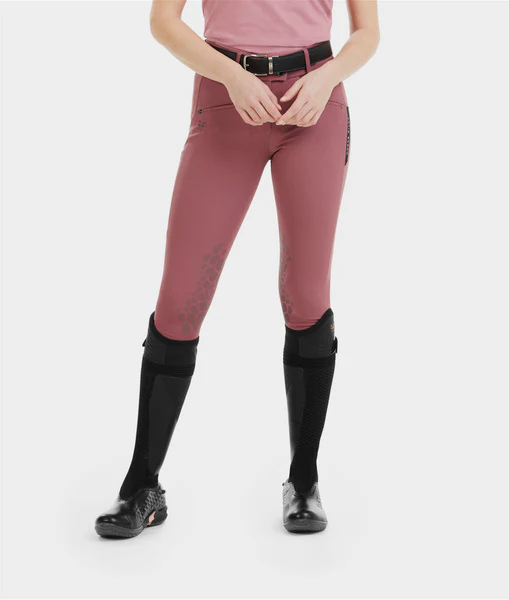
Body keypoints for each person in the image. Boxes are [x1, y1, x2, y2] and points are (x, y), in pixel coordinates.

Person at [95, 0, 379, 538]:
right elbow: (163, 20)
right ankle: (141, 486)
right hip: (226, 99)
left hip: (314, 107)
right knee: (180, 302)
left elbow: (367, 32)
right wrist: (231, 76)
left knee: (306, 296)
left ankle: (304, 482)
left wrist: (326, 79)